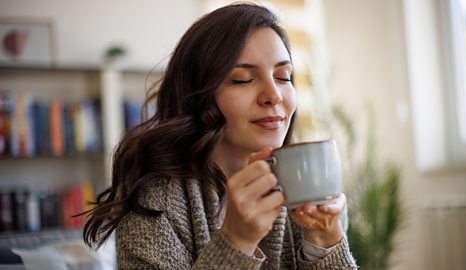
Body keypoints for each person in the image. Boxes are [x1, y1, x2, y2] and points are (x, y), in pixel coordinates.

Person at [82, 3, 358, 269]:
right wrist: (236, 242)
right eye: (242, 79)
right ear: (199, 96)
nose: (274, 95)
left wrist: (325, 240)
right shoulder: (153, 204)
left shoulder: (309, 190)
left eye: (283, 76)